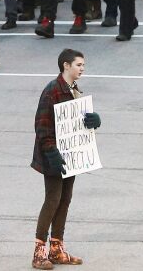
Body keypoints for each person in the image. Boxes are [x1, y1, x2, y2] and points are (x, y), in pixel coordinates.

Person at [31, 48, 100, 270]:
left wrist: (93, 120)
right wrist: (51, 152)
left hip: (71, 155)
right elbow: (42, 125)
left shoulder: (74, 89)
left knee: (65, 200)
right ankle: (39, 252)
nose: (82, 69)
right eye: (79, 65)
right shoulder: (52, 90)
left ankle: (56, 248)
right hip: (54, 157)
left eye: (83, 65)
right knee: (52, 200)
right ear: (66, 66)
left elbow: (77, 122)